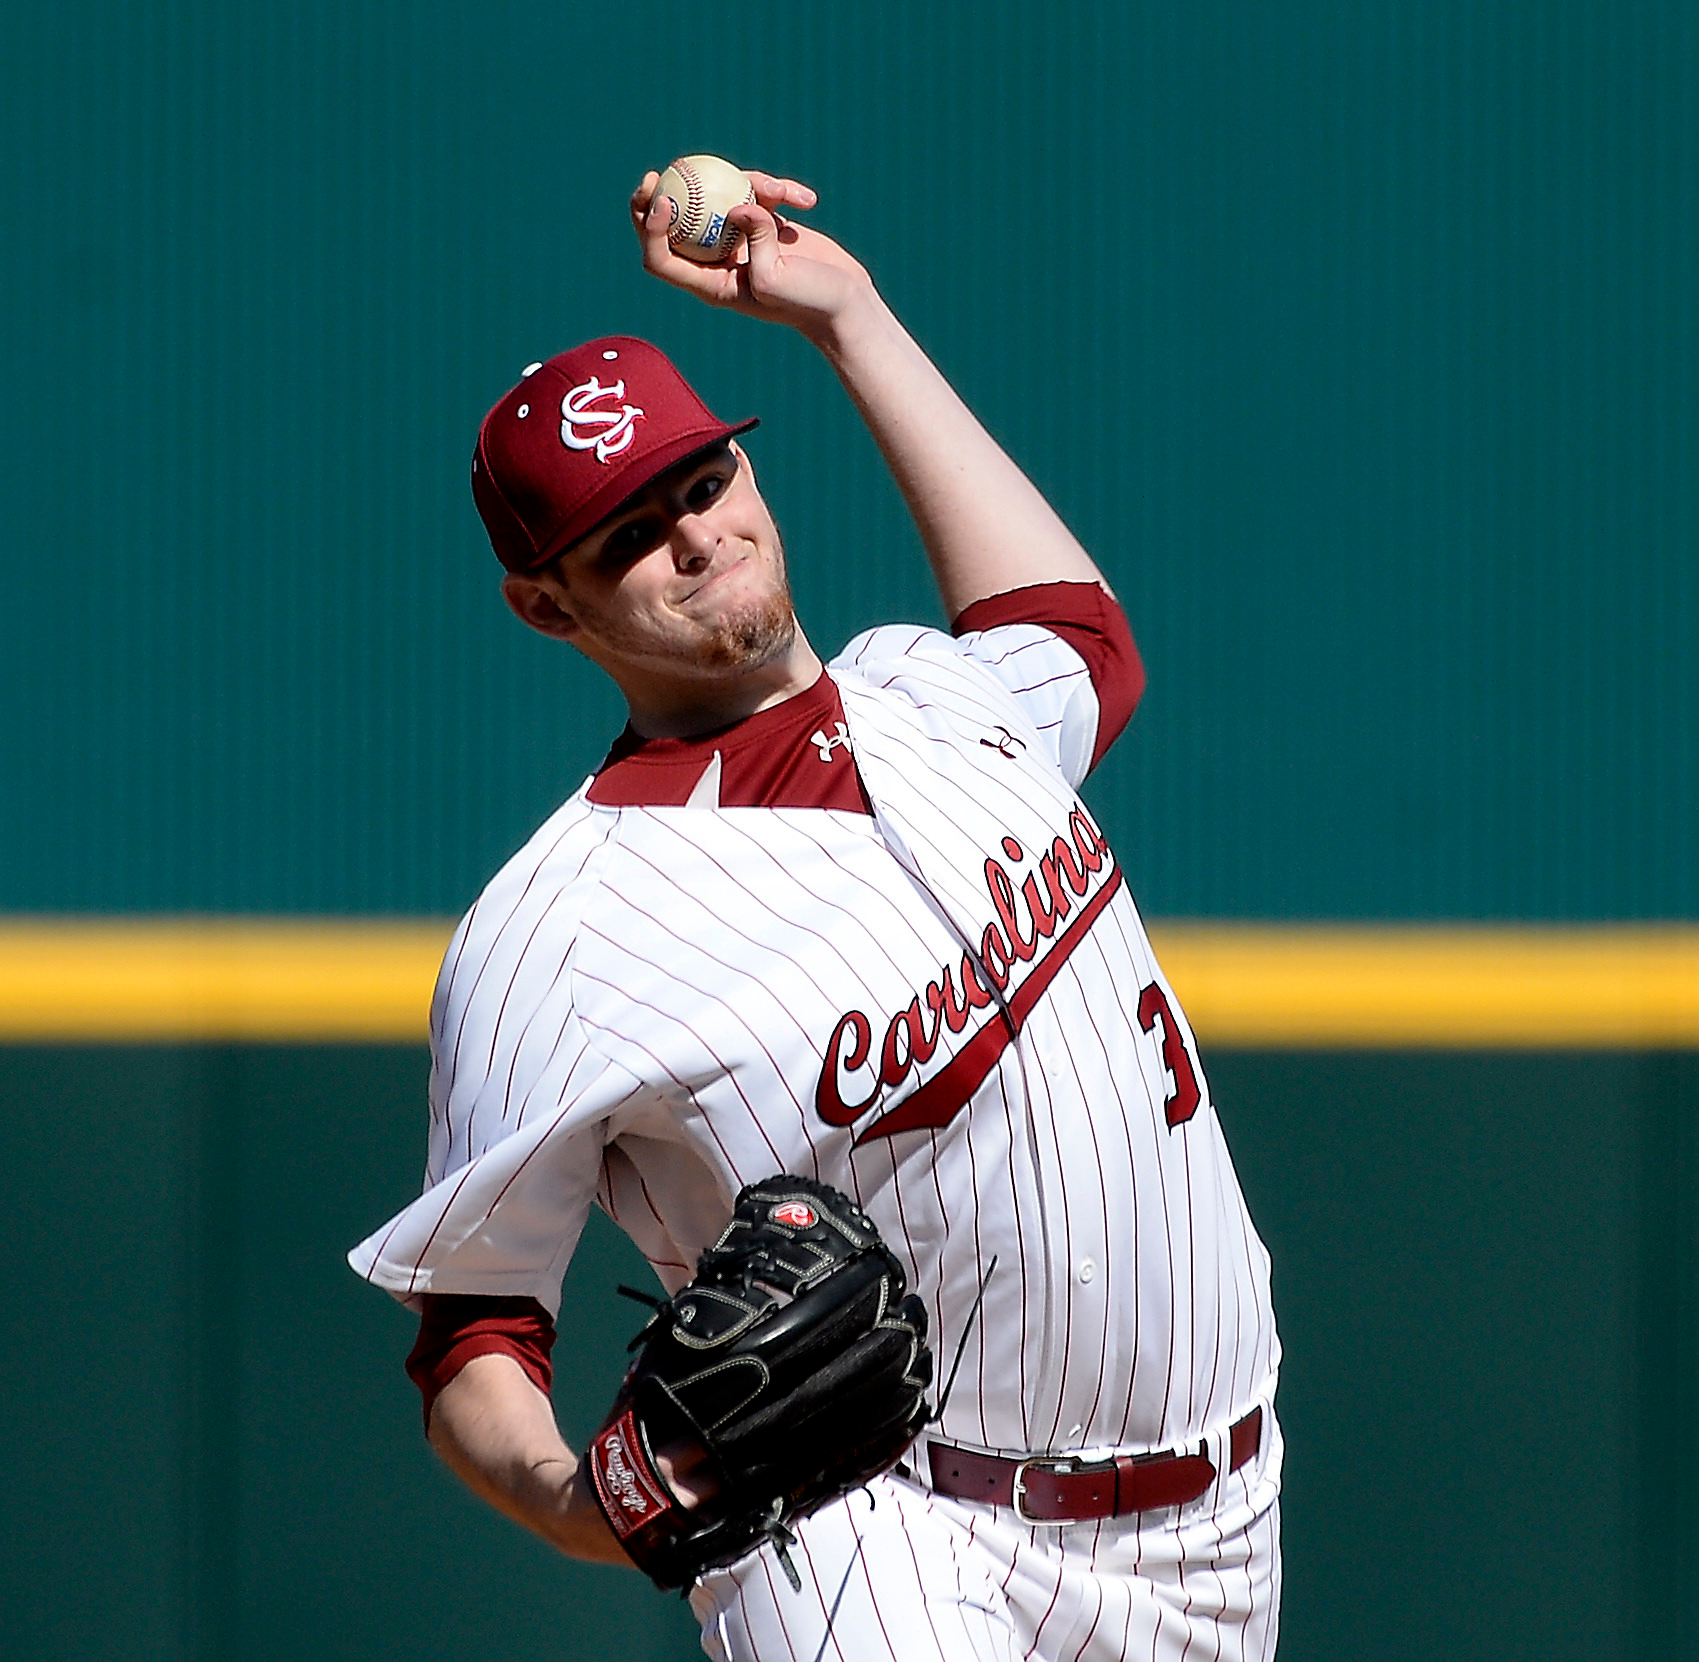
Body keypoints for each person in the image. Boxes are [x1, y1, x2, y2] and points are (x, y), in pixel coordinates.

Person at [350, 165, 1282, 1662]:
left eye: (702, 482)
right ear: (548, 604)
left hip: (1223, 1524)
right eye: (629, 534)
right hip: (878, 1532)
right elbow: (474, 1328)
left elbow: (1081, 641)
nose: (698, 536)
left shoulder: (937, 691)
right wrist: (579, 1502)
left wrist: (847, 316)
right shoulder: (554, 930)